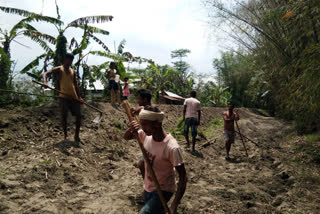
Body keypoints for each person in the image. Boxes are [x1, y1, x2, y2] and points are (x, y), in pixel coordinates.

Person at [124, 106, 187, 214]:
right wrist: (131, 129)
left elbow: (183, 177)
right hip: (148, 186)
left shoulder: (172, 147)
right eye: (141, 124)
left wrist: (174, 205)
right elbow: (126, 137)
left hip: (164, 189)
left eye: (145, 124)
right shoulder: (146, 136)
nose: (142, 128)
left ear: (157, 124)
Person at [42, 53, 84, 142]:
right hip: (63, 96)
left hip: (74, 97)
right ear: (65, 60)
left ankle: (76, 136)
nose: (70, 62)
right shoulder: (59, 69)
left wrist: (79, 97)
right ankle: (65, 136)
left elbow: (75, 85)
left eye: (71, 60)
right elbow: (45, 73)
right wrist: (45, 82)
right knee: (64, 116)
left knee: (79, 116)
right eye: (68, 59)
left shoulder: (73, 71)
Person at [131, 89, 153, 180]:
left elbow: (141, 109)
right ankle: (148, 183)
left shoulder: (147, 109)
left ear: (145, 100)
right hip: (148, 141)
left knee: (142, 164)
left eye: (139, 99)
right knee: (144, 165)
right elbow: (136, 111)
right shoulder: (148, 109)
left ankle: (148, 184)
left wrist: (135, 110)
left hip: (152, 141)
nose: (137, 101)